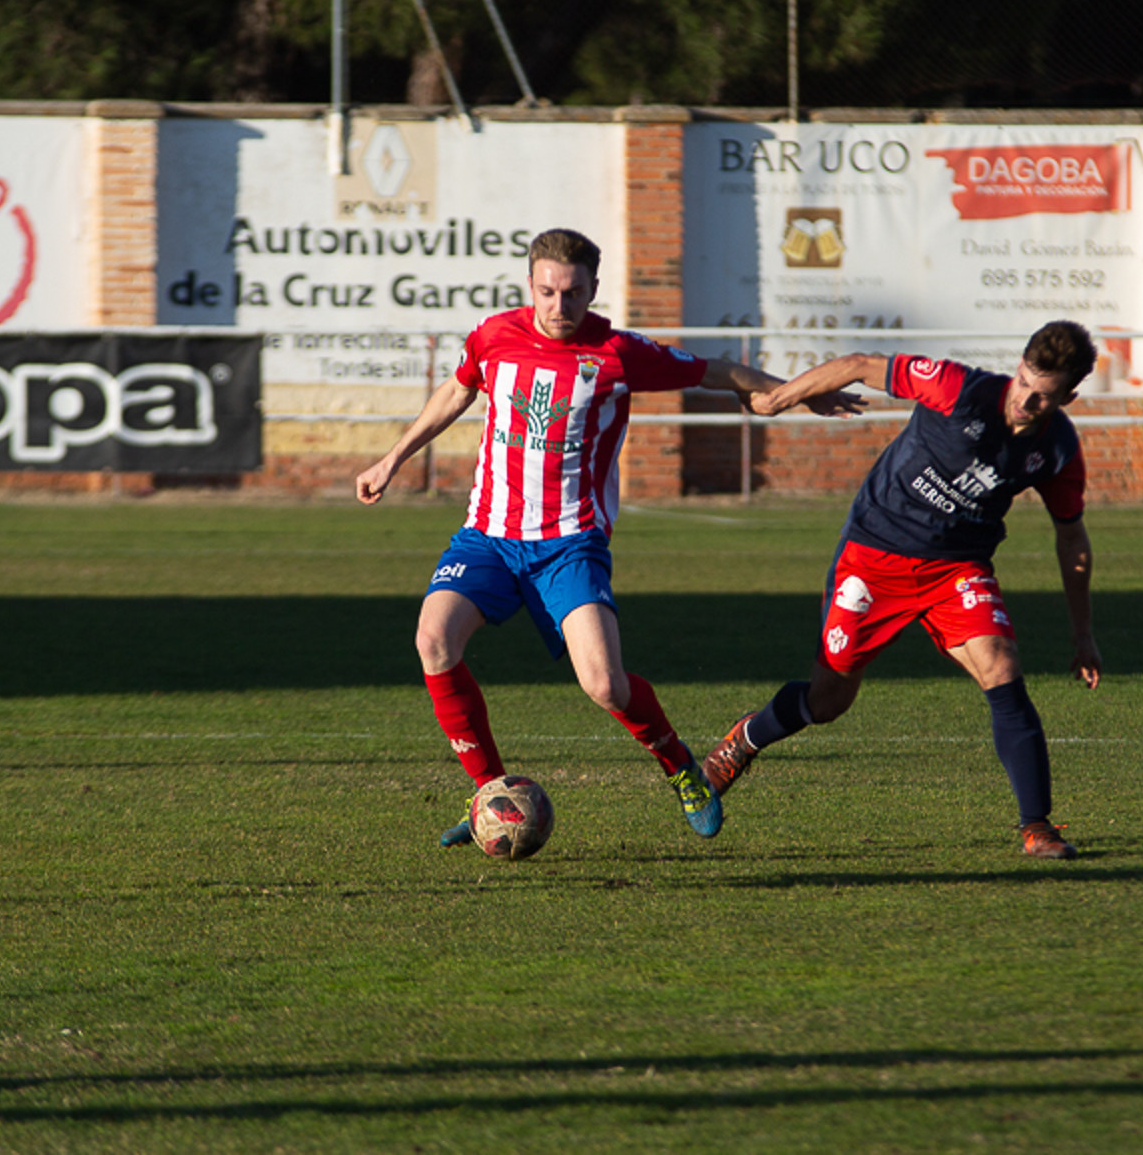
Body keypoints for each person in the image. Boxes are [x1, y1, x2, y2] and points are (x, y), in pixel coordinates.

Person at [356, 228, 859, 847]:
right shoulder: (492, 337)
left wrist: (790, 395)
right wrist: (392, 459)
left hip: (569, 544)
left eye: (572, 293)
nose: (558, 306)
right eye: (546, 292)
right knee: (433, 641)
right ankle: (489, 790)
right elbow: (459, 388)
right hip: (487, 535)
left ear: (593, 290)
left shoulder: (619, 354)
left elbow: (715, 370)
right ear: (530, 287)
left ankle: (680, 766)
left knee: (604, 684)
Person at [700, 320, 1102, 859]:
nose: (1027, 399)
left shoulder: (1056, 451)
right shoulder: (958, 387)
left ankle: (1038, 827)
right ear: (1020, 364)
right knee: (829, 699)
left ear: (1068, 397)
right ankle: (745, 739)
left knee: (1002, 668)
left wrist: (1083, 637)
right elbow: (864, 365)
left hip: (957, 570)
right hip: (873, 555)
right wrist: (779, 397)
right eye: (1027, 380)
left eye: (1046, 395)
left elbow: (1072, 539)